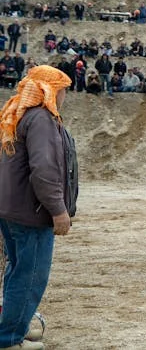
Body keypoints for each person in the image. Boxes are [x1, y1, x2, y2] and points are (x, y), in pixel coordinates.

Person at [0, 65, 77, 350]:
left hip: (13, 210)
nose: (65, 95)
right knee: (30, 276)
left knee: (17, 272)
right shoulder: (42, 119)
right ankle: (9, 340)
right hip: (30, 213)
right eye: (63, 89)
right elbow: (44, 171)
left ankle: (13, 328)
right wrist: (58, 210)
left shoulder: (21, 115)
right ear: (49, 90)